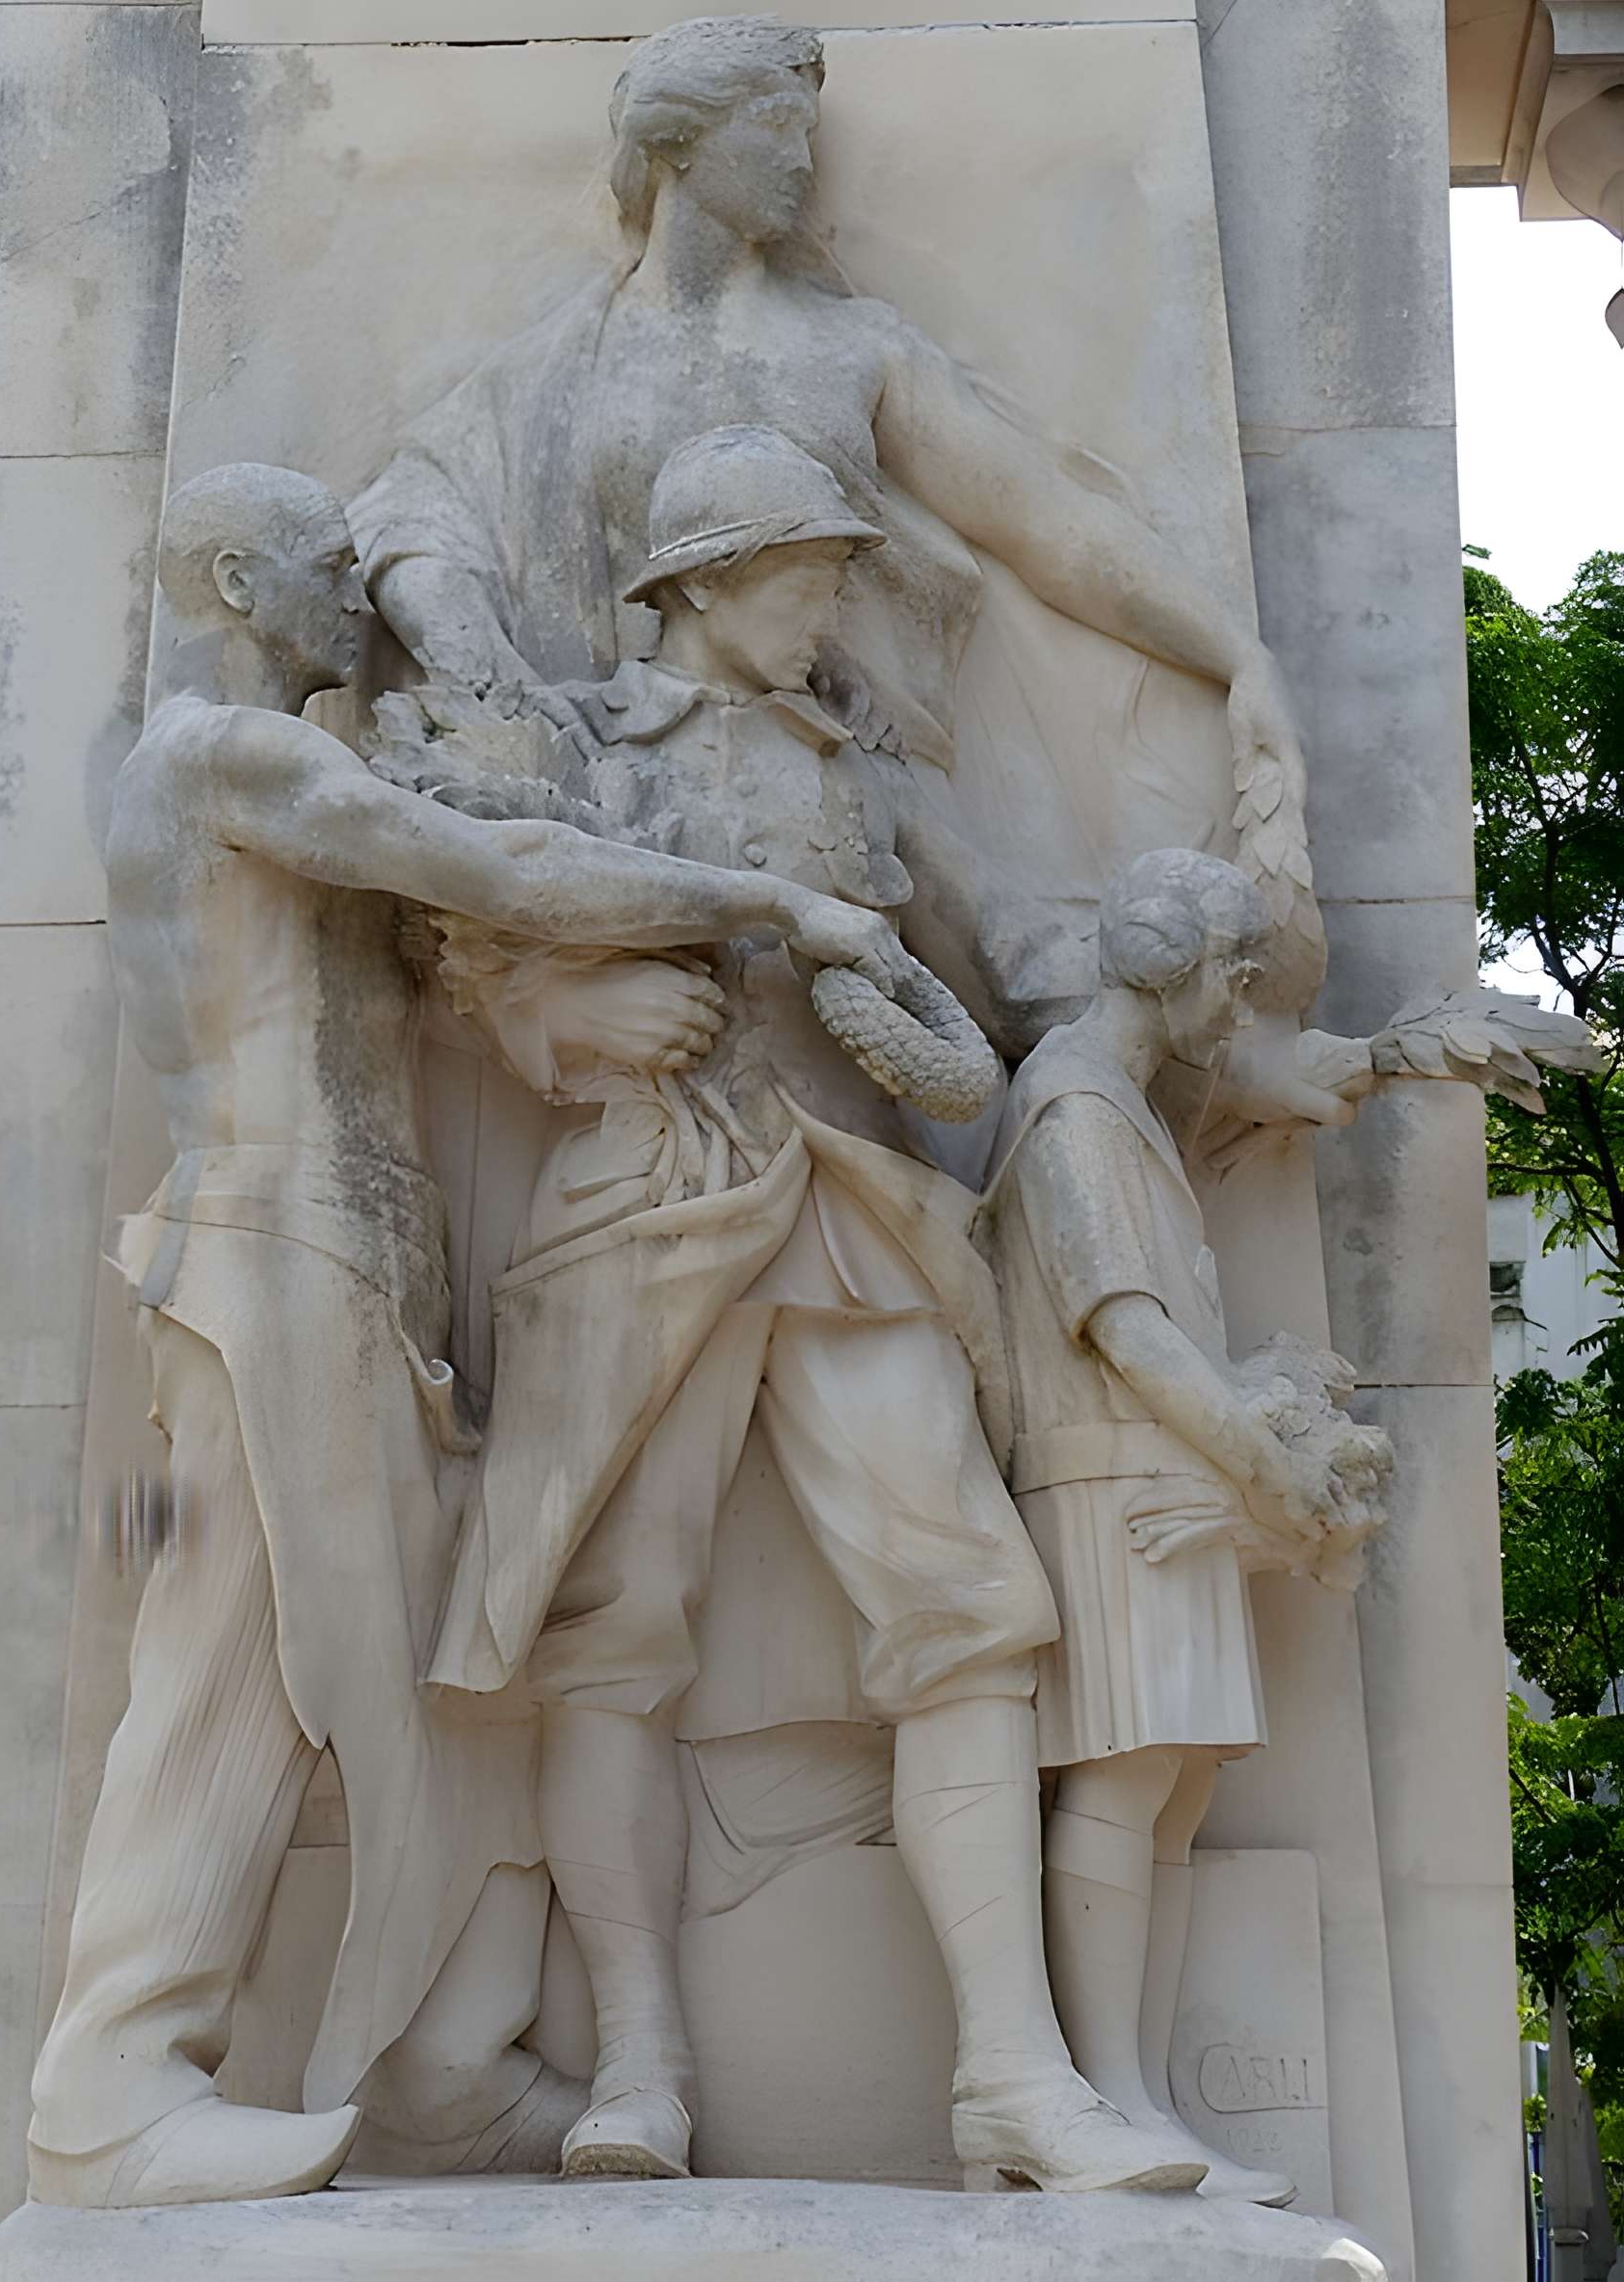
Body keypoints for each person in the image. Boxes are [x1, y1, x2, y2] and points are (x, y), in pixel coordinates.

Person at [26, 461, 906, 2209]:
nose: (353, 588)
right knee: (237, 1676)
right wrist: (773, 904)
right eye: (320, 562)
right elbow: (492, 865)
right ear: (230, 575)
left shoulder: (286, 776)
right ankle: (111, 2088)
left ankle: (433, 2074)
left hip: (351, 1267)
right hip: (278, 1245)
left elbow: (459, 934)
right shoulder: (232, 757)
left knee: (442, 1678)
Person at [422, 428, 1204, 2197]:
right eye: (800, 570)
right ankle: (638, 2066)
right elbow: (473, 950)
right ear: (701, 581)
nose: (826, 601)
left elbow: (1029, 964)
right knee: (613, 1633)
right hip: (641, 1205)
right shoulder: (587, 757)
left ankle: (1011, 2075)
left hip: (848, 1211)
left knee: (972, 1613)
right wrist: (567, 1022)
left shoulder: (868, 780)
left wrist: (1228, 971)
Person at [351, 13, 1322, 1002]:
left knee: (1004, 999)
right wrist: (504, 687)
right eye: (776, 126)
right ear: (679, 144)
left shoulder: (853, 350)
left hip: (850, 785)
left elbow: (1047, 525)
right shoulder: (558, 369)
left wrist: (1235, 656)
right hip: (629, 798)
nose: (804, 158)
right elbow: (414, 520)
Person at [986, 850, 1390, 2206]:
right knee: (1130, 1772)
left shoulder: (1130, 1108)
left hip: (1173, 1485)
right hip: (1117, 1483)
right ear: (1166, 963)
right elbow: (1130, 1331)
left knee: (1176, 1786)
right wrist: (1266, 1466)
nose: (1239, 999)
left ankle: (1137, 2098)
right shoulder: (1075, 1107)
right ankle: (1104, 2096)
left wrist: (1262, 1417)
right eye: (1231, 970)